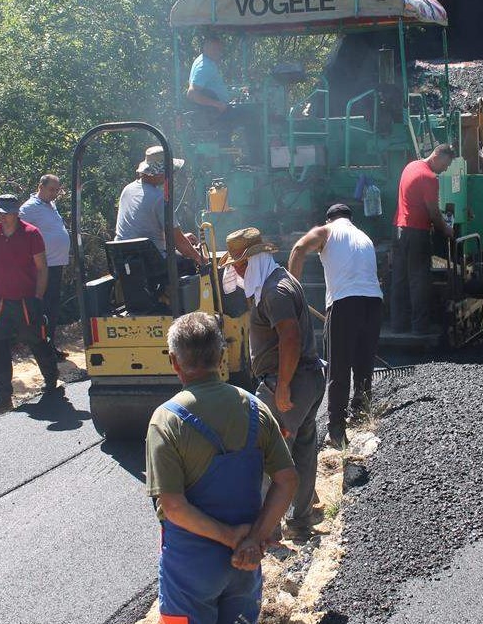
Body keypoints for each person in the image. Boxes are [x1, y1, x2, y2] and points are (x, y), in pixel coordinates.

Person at [146, 311, 298, 624]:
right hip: (244, 567)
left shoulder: (166, 420)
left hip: (191, 571)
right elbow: (287, 480)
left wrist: (231, 537)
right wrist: (254, 539)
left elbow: (173, 507)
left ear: (174, 361)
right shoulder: (257, 409)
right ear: (221, 355)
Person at [224, 227, 325, 539]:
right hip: (306, 381)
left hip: (288, 385)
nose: (237, 270)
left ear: (255, 260)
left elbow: (290, 338)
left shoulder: (274, 291)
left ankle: (268, 533)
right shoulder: (275, 281)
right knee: (304, 452)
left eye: (240, 264)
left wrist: (281, 385)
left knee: (265, 453)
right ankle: (301, 523)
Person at [288, 204, 383, 449]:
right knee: (363, 363)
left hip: (345, 303)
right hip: (374, 301)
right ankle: (361, 415)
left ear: (329, 219)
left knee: (338, 368)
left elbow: (299, 248)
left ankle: (336, 431)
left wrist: (294, 292)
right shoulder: (364, 236)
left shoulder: (326, 231)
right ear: (350, 219)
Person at [0, 194, 61, 411]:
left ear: (16, 213)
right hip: (0, 299)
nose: (2, 217)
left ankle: (51, 377)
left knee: (35, 340)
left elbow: (42, 268)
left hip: (26, 299)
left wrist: (38, 297)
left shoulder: (31, 234)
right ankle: (3, 398)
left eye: (6, 213)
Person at [391, 144, 455, 334]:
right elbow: (434, 213)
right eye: (446, 164)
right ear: (437, 156)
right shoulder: (429, 178)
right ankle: (420, 327)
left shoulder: (410, 166)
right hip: (417, 232)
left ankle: (398, 325)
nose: (446, 169)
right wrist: (447, 230)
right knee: (419, 280)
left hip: (399, 229)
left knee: (400, 279)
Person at [115, 146, 205, 269]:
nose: (171, 175)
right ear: (160, 172)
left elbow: (145, 230)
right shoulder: (159, 199)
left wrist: (183, 237)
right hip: (149, 264)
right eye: (169, 172)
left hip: (123, 259)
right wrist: (200, 259)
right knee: (190, 263)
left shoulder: (127, 190)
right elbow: (179, 243)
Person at [187, 36, 262, 164]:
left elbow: (214, 89)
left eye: (220, 50)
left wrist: (236, 91)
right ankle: (257, 159)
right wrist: (217, 104)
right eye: (216, 50)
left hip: (215, 112)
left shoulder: (204, 61)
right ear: (207, 48)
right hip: (216, 115)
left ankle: (230, 158)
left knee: (246, 112)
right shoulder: (204, 66)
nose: (220, 53)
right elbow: (192, 93)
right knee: (254, 114)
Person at [19, 174, 71, 359]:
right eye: (52, 190)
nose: (55, 193)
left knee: (53, 309)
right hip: (43, 268)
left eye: (57, 190)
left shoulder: (50, 205)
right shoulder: (29, 208)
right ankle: (43, 350)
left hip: (56, 265)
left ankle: (50, 347)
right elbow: (20, 235)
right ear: (40, 186)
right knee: (45, 309)